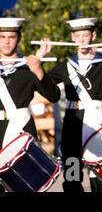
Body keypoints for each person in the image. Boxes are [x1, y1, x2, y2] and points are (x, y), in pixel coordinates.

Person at [45, 17, 102, 192]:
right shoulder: (66, 65)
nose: (81, 40)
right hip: (73, 123)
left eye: (85, 35)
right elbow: (45, 86)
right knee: (72, 172)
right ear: (72, 37)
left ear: (93, 36)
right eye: (77, 36)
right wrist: (40, 59)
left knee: (99, 172)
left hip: (96, 122)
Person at [0, 17, 61, 191]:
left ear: (18, 39)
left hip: (21, 129)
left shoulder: (29, 66)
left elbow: (54, 96)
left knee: (27, 185)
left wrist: (39, 71)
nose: (6, 42)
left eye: (11, 37)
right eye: (2, 37)